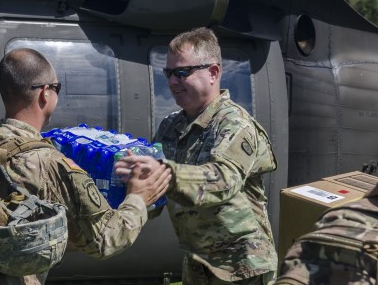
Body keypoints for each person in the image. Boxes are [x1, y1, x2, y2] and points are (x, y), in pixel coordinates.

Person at [0, 48, 172, 285]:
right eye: (57, 88)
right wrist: (138, 198)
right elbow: (105, 240)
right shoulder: (51, 163)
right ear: (45, 94)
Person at [116, 27, 278, 284]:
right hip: (198, 262)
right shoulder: (171, 126)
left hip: (242, 267)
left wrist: (165, 174)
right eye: (169, 73)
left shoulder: (234, 124)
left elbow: (223, 180)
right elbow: (155, 193)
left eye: (182, 73)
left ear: (213, 73)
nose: (172, 82)